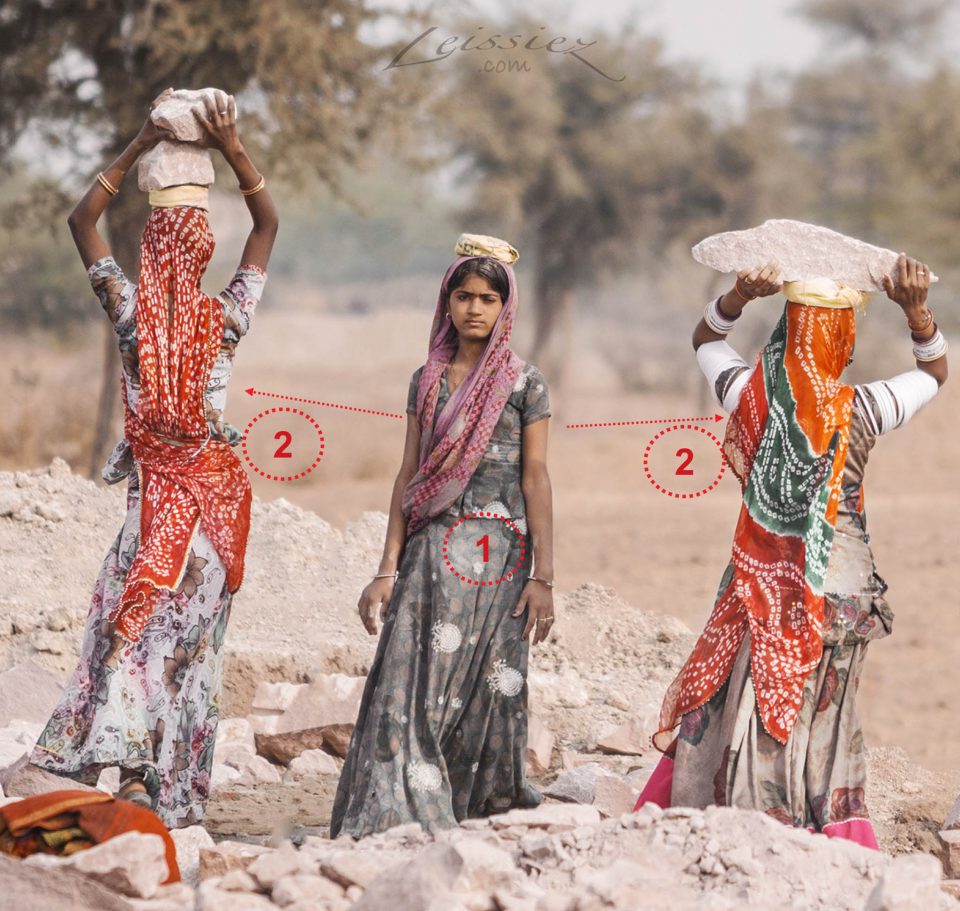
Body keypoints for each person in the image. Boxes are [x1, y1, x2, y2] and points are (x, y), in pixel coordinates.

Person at [636, 255, 947, 849]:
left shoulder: (748, 397)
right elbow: (934, 373)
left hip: (761, 585)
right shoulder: (863, 408)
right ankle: (826, 833)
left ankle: (751, 826)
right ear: (845, 345)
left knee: (754, 703)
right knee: (827, 715)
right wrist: (916, 311)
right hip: (842, 589)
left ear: (785, 332)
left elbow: (705, 339)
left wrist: (736, 297)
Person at [30, 89, 279, 828]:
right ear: (202, 252)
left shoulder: (131, 313)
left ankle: (133, 773)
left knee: (133, 636)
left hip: (155, 521)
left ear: (151, 251)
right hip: (213, 522)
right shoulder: (227, 318)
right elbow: (267, 223)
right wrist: (234, 151)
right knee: (189, 656)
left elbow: (81, 220)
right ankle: (171, 795)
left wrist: (139, 142)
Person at [330, 235, 555, 838]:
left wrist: (545, 578)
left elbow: (535, 477)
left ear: (505, 308)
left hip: (504, 559)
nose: (474, 309)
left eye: (487, 298)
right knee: (409, 683)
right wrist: (386, 567)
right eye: (463, 296)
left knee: (493, 686)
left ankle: (477, 805)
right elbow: (410, 473)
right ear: (446, 301)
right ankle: (399, 808)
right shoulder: (426, 380)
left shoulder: (523, 383)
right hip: (433, 554)